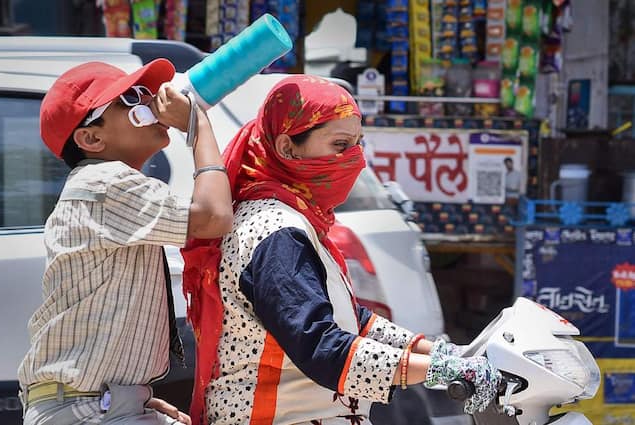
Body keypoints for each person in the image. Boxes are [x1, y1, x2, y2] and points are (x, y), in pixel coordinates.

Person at [181, 75, 501, 425]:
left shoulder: (295, 218)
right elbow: (320, 347)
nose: (355, 159)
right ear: (288, 147)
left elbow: (349, 317)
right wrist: (438, 372)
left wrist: (442, 354)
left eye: (358, 144)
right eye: (340, 144)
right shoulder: (276, 231)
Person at [17, 59, 233, 425]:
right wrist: (198, 125)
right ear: (91, 138)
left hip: (98, 406)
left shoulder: (112, 186)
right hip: (85, 409)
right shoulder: (103, 182)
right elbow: (213, 216)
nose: (150, 102)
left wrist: (132, 400)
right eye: (131, 97)